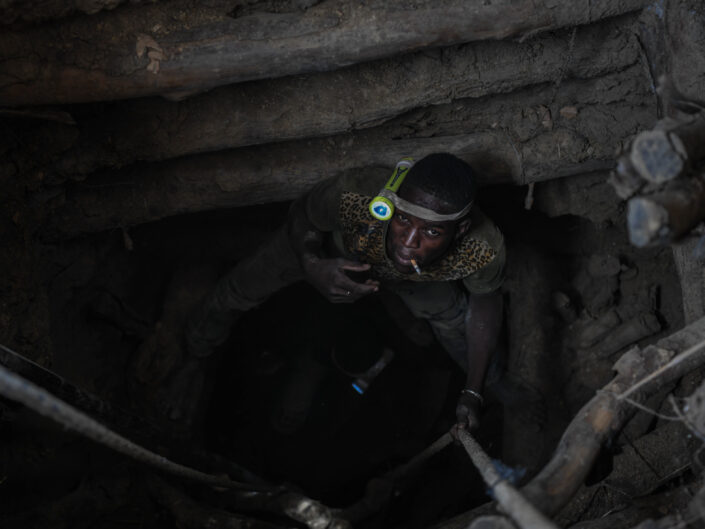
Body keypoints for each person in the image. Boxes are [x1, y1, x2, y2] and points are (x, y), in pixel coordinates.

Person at [180, 152, 506, 434]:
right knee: (238, 291)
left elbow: (484, 302)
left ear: (459, 230)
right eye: (402, 220)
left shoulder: (480, 246)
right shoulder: (359, 193)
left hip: (417, 278)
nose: (408, 242)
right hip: (327, 253)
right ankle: (194, 355)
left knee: (454, 320)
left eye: (432, 231)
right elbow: (302, 214)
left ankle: (486, 392)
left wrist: (472, 392)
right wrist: (311, 263)